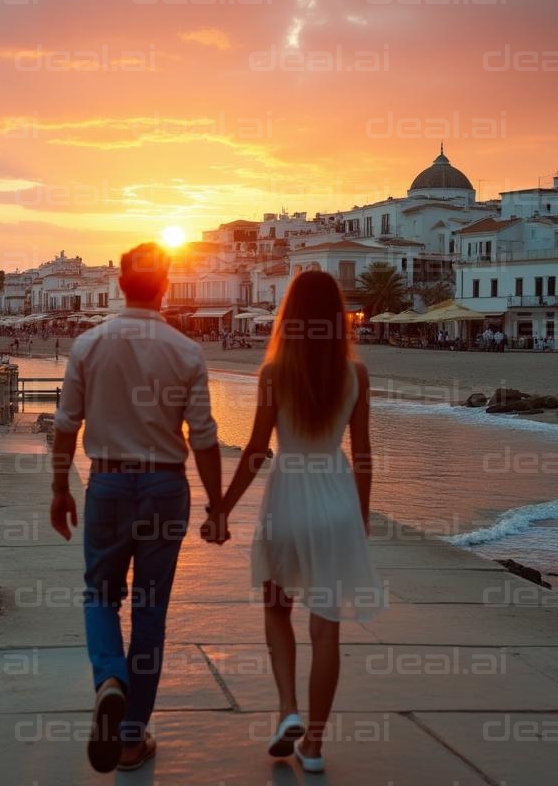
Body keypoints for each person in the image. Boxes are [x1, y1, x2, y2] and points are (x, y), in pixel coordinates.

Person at [49, 242, 224, 773]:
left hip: (107, 483)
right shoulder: (186, 351)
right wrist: (217, 505)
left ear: (121, 284)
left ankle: (109, 678)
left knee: (100, 594)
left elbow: (65, 425)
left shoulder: (88, 344)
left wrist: (60, 488)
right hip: (165, 488)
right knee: (150, 612)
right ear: (165, 285)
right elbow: (204, 437)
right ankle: (130, 738)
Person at [217, 270, 384, 774]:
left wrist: (222, 508)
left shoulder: (274, 373)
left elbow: (255, 451)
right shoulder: (356, 375)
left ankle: (288, 707)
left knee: (276, 606)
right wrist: (361, 514)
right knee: (326, 627)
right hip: (336, 500)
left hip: (287, 498)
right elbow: (363, 453)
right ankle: (313, 745)